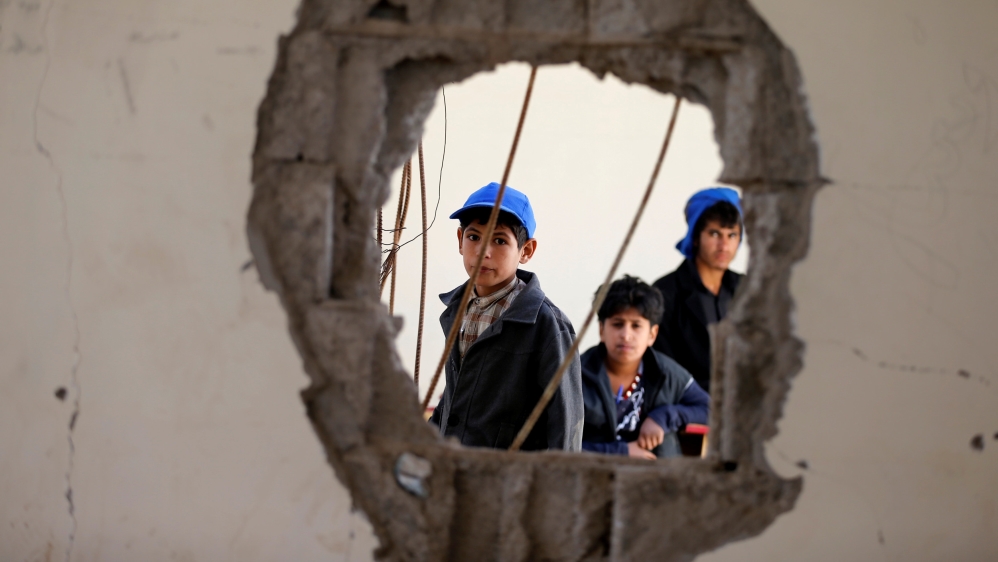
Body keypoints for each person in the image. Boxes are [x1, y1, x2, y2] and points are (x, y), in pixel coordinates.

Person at [428, 182, 584, 451]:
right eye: (474, 237)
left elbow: (565, 426)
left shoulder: (547, 325)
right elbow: (454, 399)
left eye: (499, 241)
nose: (482, 252)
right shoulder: (457, 310)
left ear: (526, 251)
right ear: (459, 240)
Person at [581, 276, 710, 459]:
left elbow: (711, 410)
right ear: (602, 329)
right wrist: (622, 452)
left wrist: (663, 417)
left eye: (636, 326)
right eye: (618, 324)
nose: (626, 335)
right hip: (591, 480)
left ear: (652, 334)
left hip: (658, 482)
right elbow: (557, 443)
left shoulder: (667, 373)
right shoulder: (575, 376)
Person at [652, 187, 743, 393]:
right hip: (688, 412)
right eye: (714, 233)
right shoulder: (665, 293)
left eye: (732, 235)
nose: (724, 245)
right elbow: (664, 369)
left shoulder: (750, 290)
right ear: (695, 237)